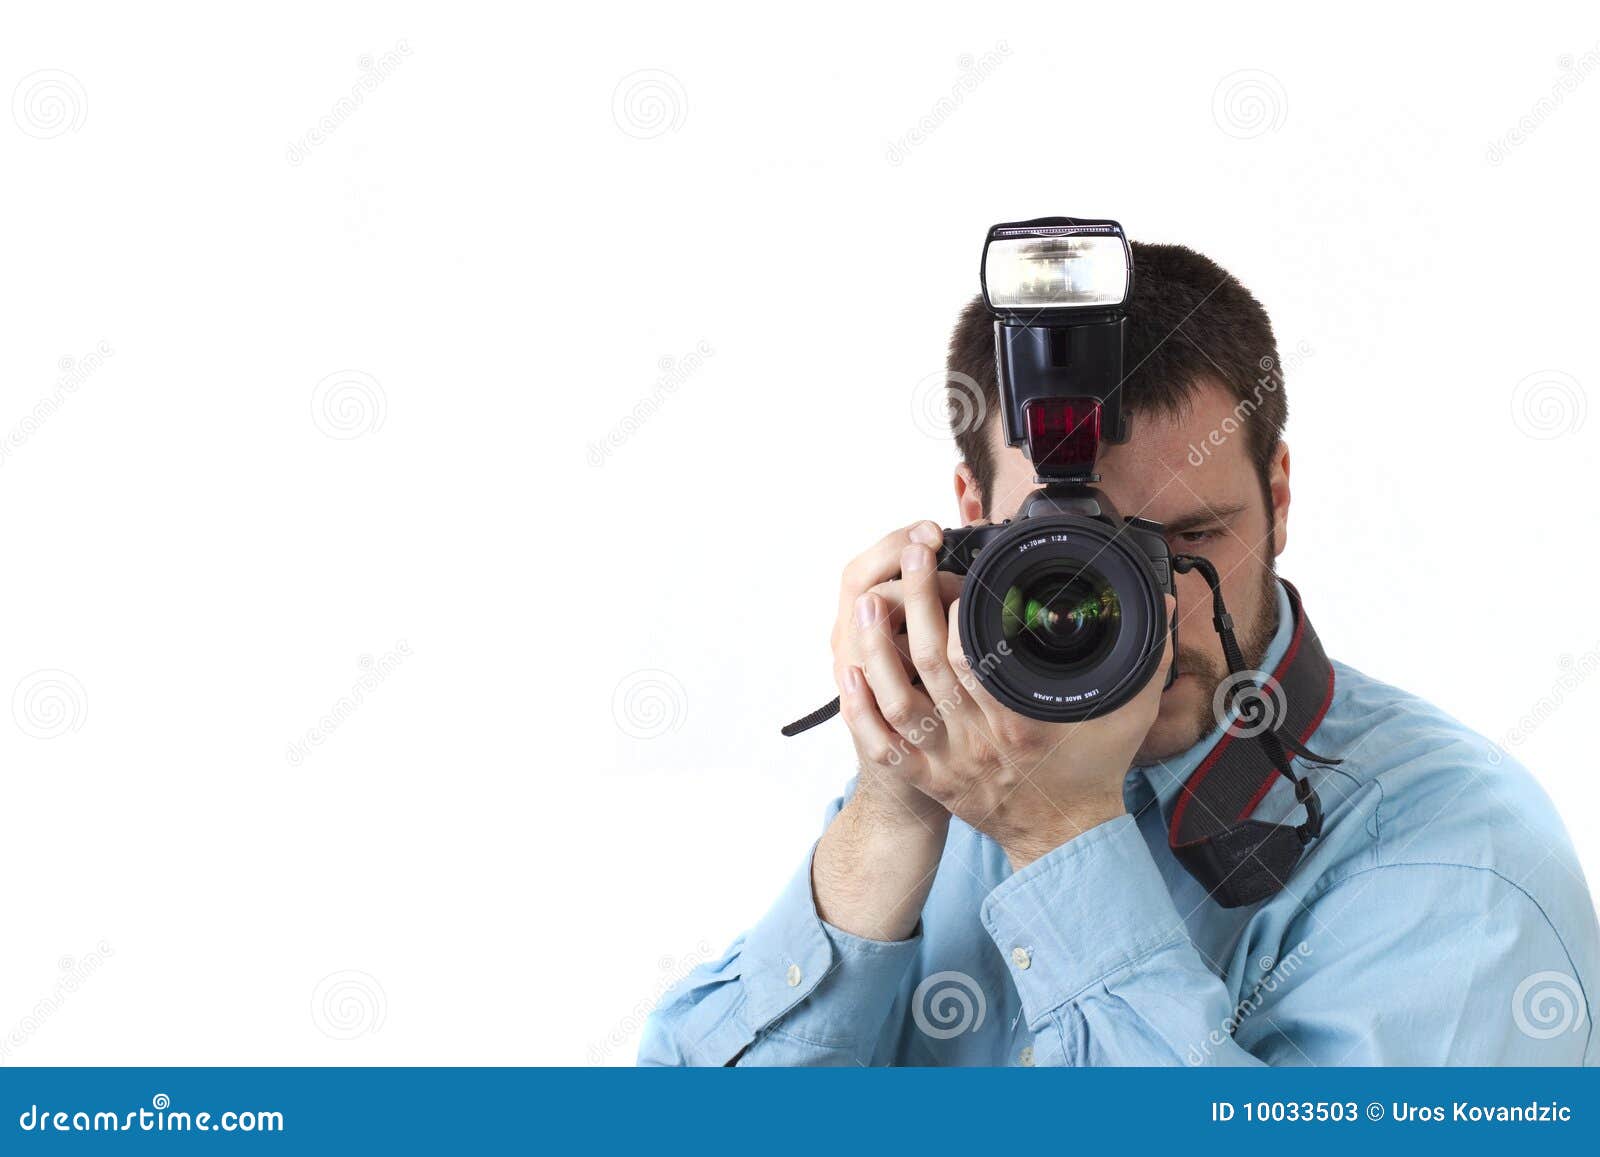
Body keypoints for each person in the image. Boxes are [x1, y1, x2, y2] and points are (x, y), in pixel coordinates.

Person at [640, 240, 1599, 1066]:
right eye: (1066, 556)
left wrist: (1060, 839)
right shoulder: (963, 770)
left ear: (1281, 495)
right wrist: (887, 817)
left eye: (1190, 543)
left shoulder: (1460, 874)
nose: (1143, 605)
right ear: (971, 523)